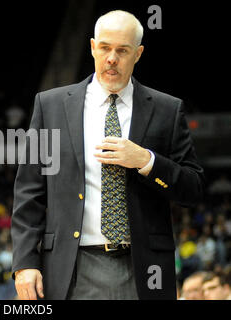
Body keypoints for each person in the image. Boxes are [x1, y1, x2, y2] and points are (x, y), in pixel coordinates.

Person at [11, 10, 205, 300]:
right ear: (92, 47)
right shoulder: (50, 106)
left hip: (142, 267)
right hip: (70, 265)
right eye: (104, 48)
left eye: (122, 50)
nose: (111, 58)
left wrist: (147, 161)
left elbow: (193, 189)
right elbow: (29, 192)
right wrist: (25, 263)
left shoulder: (167, 109)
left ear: (138, 54)